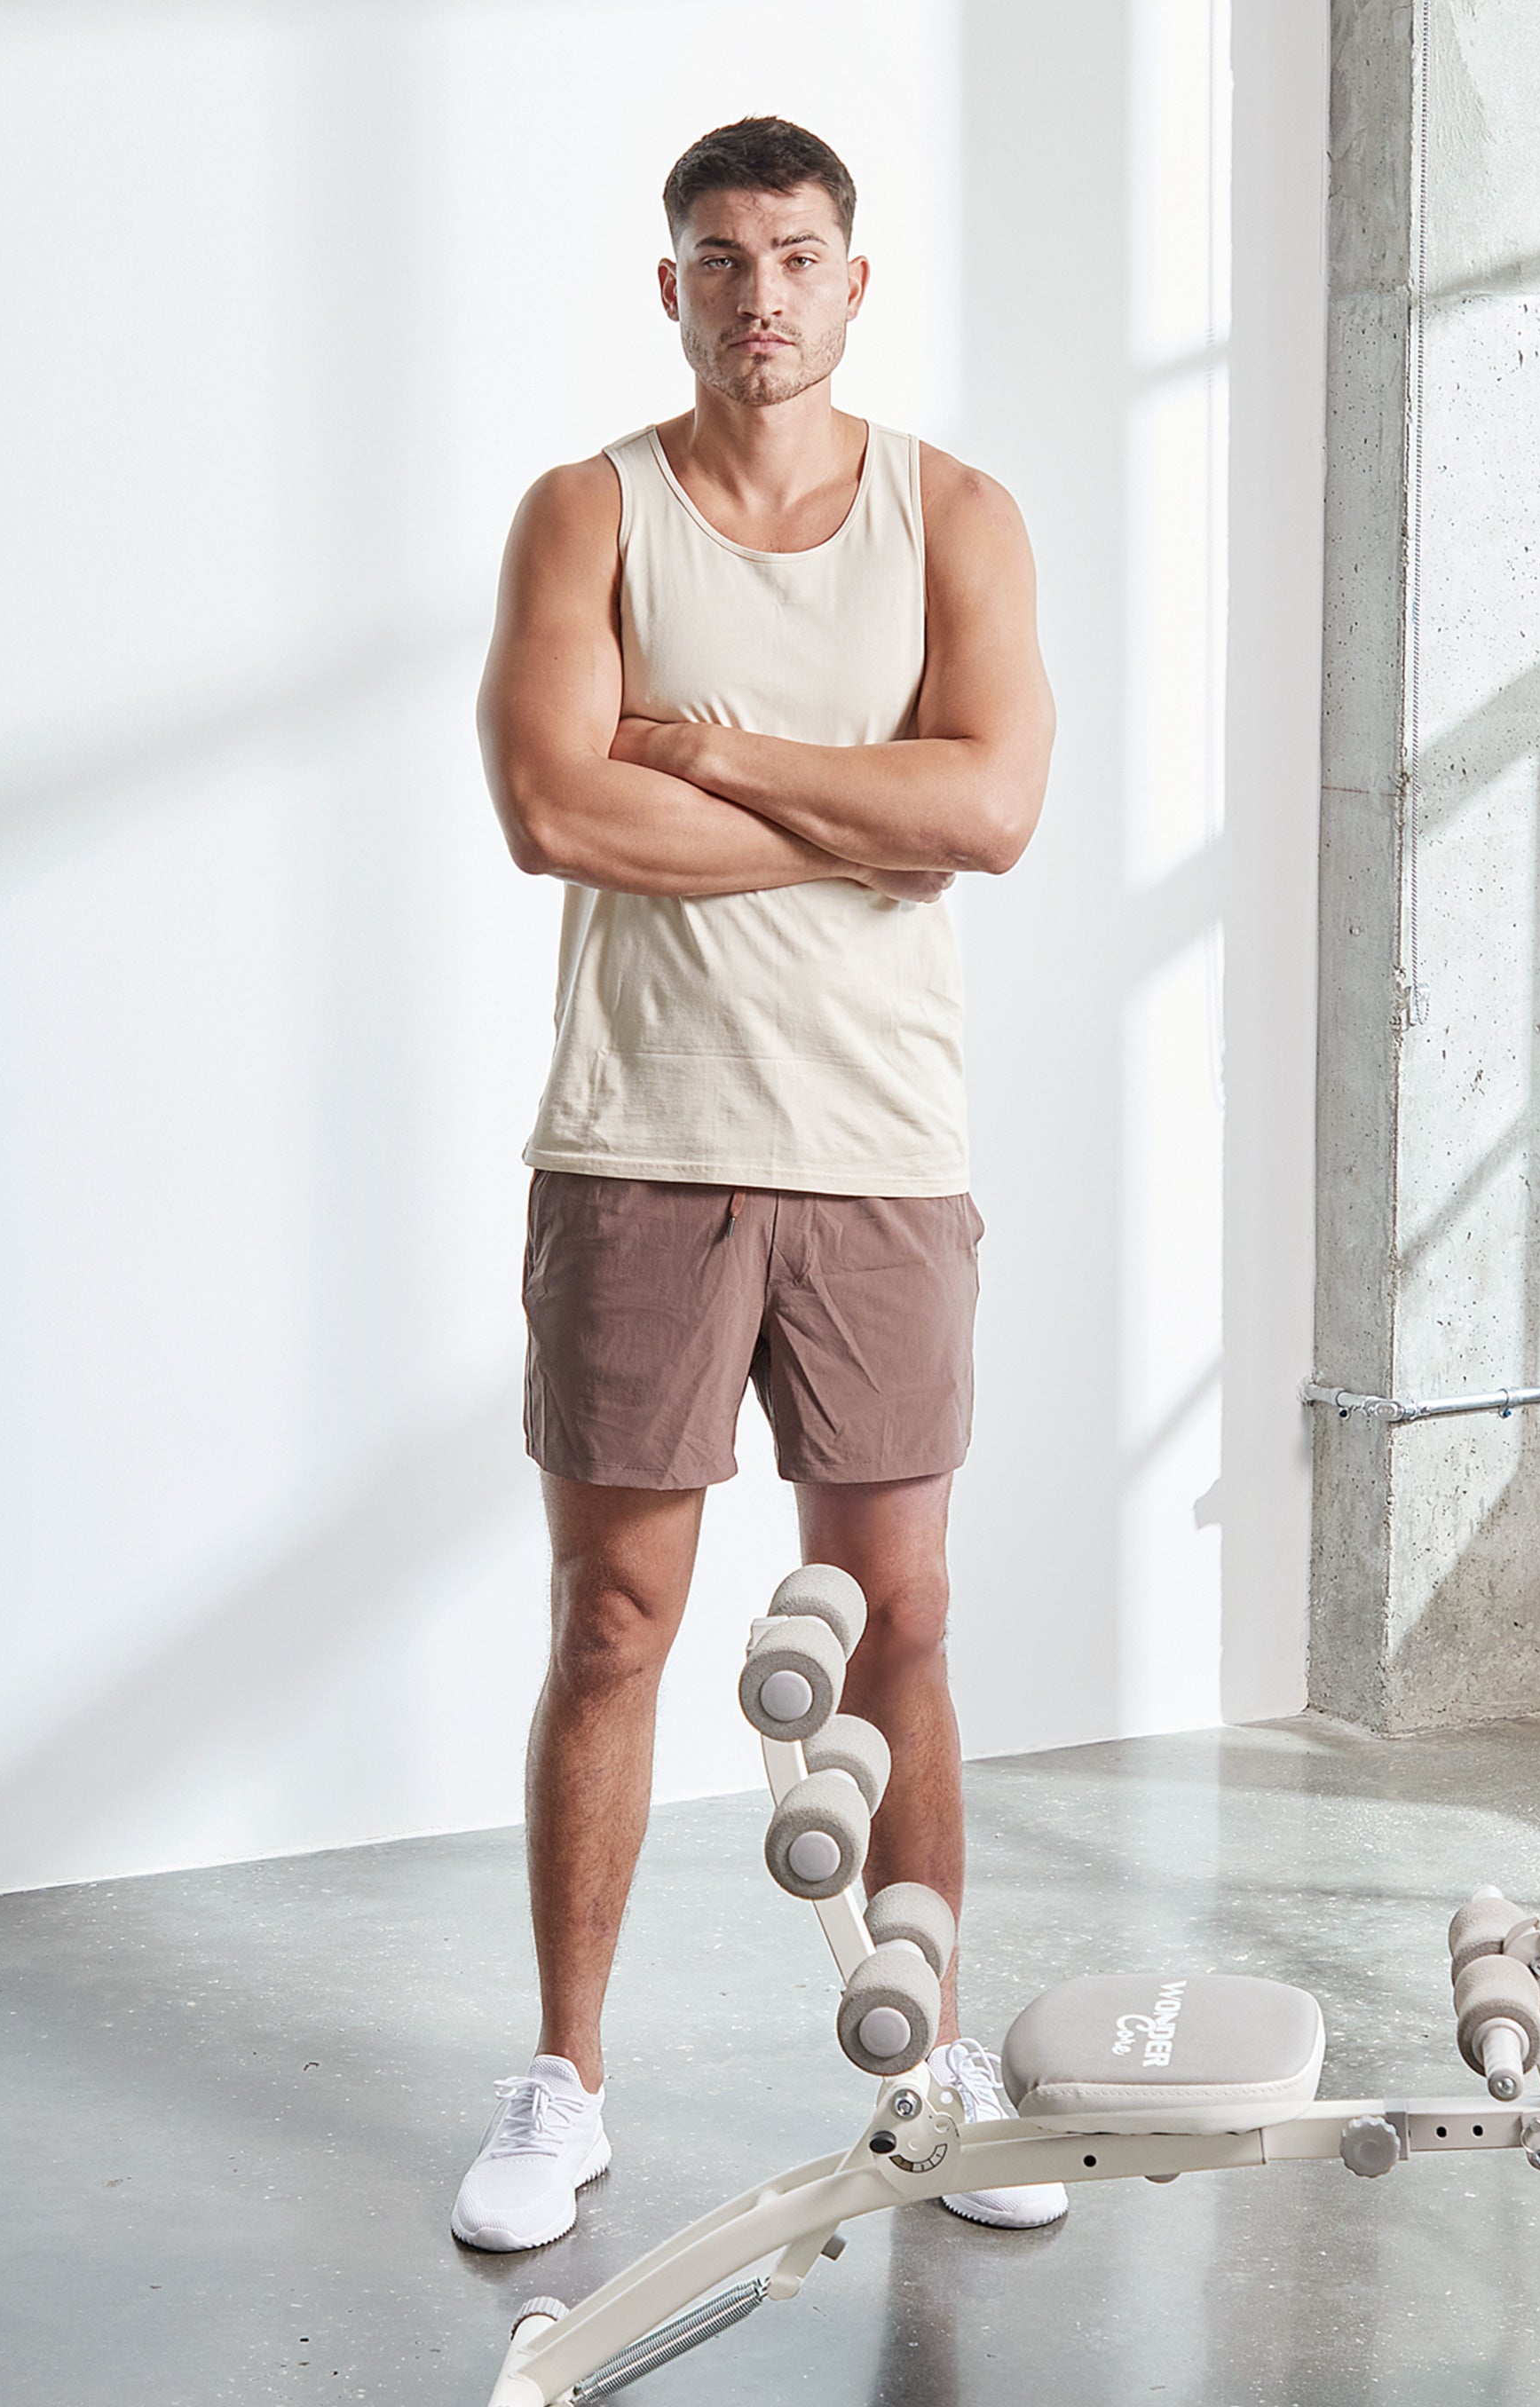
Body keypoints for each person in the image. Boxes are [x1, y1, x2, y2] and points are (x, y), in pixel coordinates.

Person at [454, 114, 1057, 2252]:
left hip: (881, 1149)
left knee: (905, 1617)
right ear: (673, 287)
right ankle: (565, 2079)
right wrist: (868, 813)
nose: (762, 296)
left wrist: (710, 749)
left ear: (853, 282)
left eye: (798, 257)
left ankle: (935, 2060)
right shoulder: (586, 512)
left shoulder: (953, 514)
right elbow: (554, 810)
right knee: (613, 1621)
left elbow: (994, 813)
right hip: (641, 1142)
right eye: (722, 259)